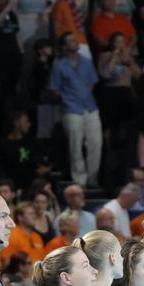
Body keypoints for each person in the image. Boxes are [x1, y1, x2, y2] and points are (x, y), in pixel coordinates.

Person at [50, 32, 101, 187]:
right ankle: (79, 180)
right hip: (72, 109)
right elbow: (55, 89)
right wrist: (68, 98)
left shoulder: (87, 62)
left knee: (95, 143)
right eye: (71, 40)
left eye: (75, 39)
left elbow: (92, 83)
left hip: (90, 107)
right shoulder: (59, 65)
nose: (75, 42)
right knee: (75, 146)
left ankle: (93, 179)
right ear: (64, 46)